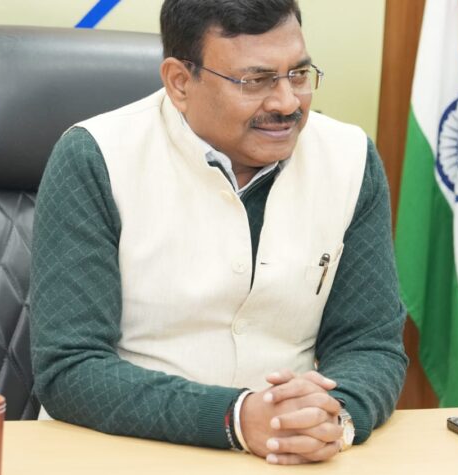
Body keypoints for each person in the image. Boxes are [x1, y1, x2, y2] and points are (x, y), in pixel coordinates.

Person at [30, 0, 408, 465]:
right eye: (256, 81)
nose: (287, 103)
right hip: (119, 454)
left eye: (298, 75)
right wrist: (235, 418)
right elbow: (70, 367)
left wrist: (332, 416)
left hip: (287, 459)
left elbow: (369, 344)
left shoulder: (349, 158)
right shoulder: (95, 157)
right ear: (180, 82)